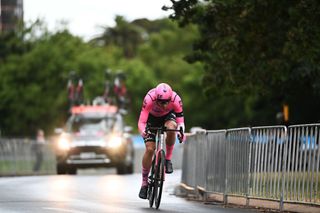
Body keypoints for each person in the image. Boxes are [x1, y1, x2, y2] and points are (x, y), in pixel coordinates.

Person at [137, 83, 186, 199]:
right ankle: (144, 183)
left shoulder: (175, 99)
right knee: (150, 149)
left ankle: (168, 159)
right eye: (161, 102)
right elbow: (141, 122)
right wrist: (143, 131)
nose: (164, 105)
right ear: (156, 99)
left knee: (172, 127)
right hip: (151, 118)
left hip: (168, 117)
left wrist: (181, 132)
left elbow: (181, 122)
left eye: (167, 102)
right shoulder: (149, 99)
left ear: (170, 99)